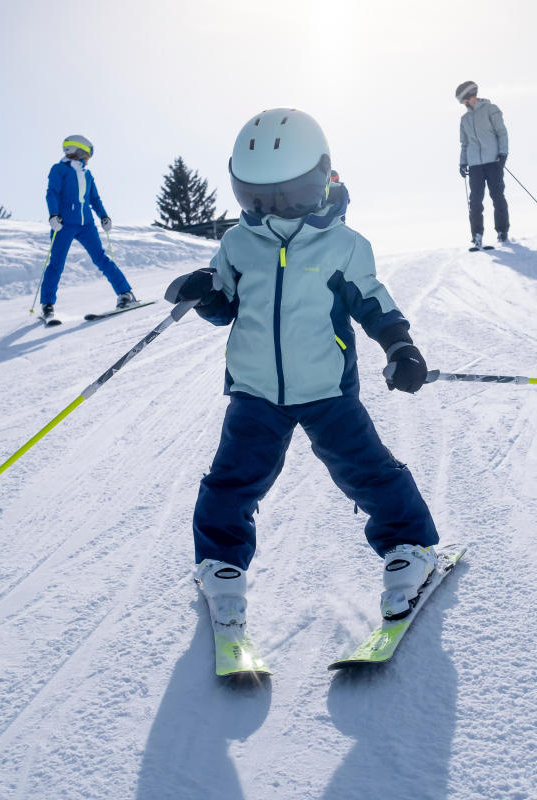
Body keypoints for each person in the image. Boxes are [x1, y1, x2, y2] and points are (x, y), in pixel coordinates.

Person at [164, 108, 439, 626]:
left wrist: (400, 346)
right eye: (258, 199)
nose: (276, 211)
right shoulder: (237, 243)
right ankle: (221, 564)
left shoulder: (345, 245)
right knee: (231, 482)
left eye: (288, 197)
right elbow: (226, 306)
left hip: (326, 388)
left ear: (321, 178)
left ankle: (411, 548)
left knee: (367, 471)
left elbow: (372, 303)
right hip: (254, 390)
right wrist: (204, 292)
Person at [42, 135, 136, 320]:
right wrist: (53, 215)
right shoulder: (59, 169)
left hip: (87, 225)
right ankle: (47, 305)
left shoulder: (87, 174)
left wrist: (103, 216)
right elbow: (51, 193)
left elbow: (94, 198)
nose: (88, 159)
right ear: (76, 151)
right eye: (87, 154)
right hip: (63, 225)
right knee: (56, 264)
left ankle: (125, 294)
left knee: (102, 259)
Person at [456, 80, 510, 248]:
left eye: (462, 100)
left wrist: (503, 154)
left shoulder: (491, 110)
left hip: (493, 161)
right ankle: (477, 235)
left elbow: (501, 133)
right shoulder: (464, 119)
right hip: (474, 165)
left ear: (470, 96)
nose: (462, 104)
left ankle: (502, 231)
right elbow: (464, 143)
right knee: (475, 201)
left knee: (497, 197)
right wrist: (463, 162)